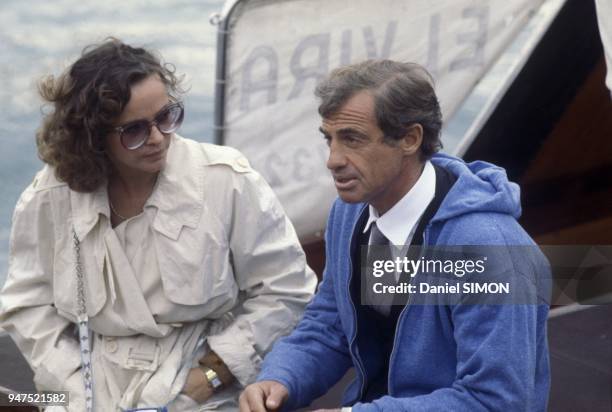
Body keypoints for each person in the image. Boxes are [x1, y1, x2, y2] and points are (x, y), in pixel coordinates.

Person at [0, 38, 317, 411]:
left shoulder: (225, 180)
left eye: (166, 117)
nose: (157, 138)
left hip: (205, 385)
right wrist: (72, 387)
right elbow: (28, 303)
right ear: (93, 136)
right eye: (134, 130)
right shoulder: (52, 195)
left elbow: (286, 292)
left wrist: (208, 378)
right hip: (86, 385)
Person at [240, 60, 551, 411]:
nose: (333, 160)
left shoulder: (489, 251)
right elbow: (331, 324)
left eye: (352, 139)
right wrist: (280, 377)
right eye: (330, 139)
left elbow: (496, 402)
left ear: (410, 139)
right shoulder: (350, 212)